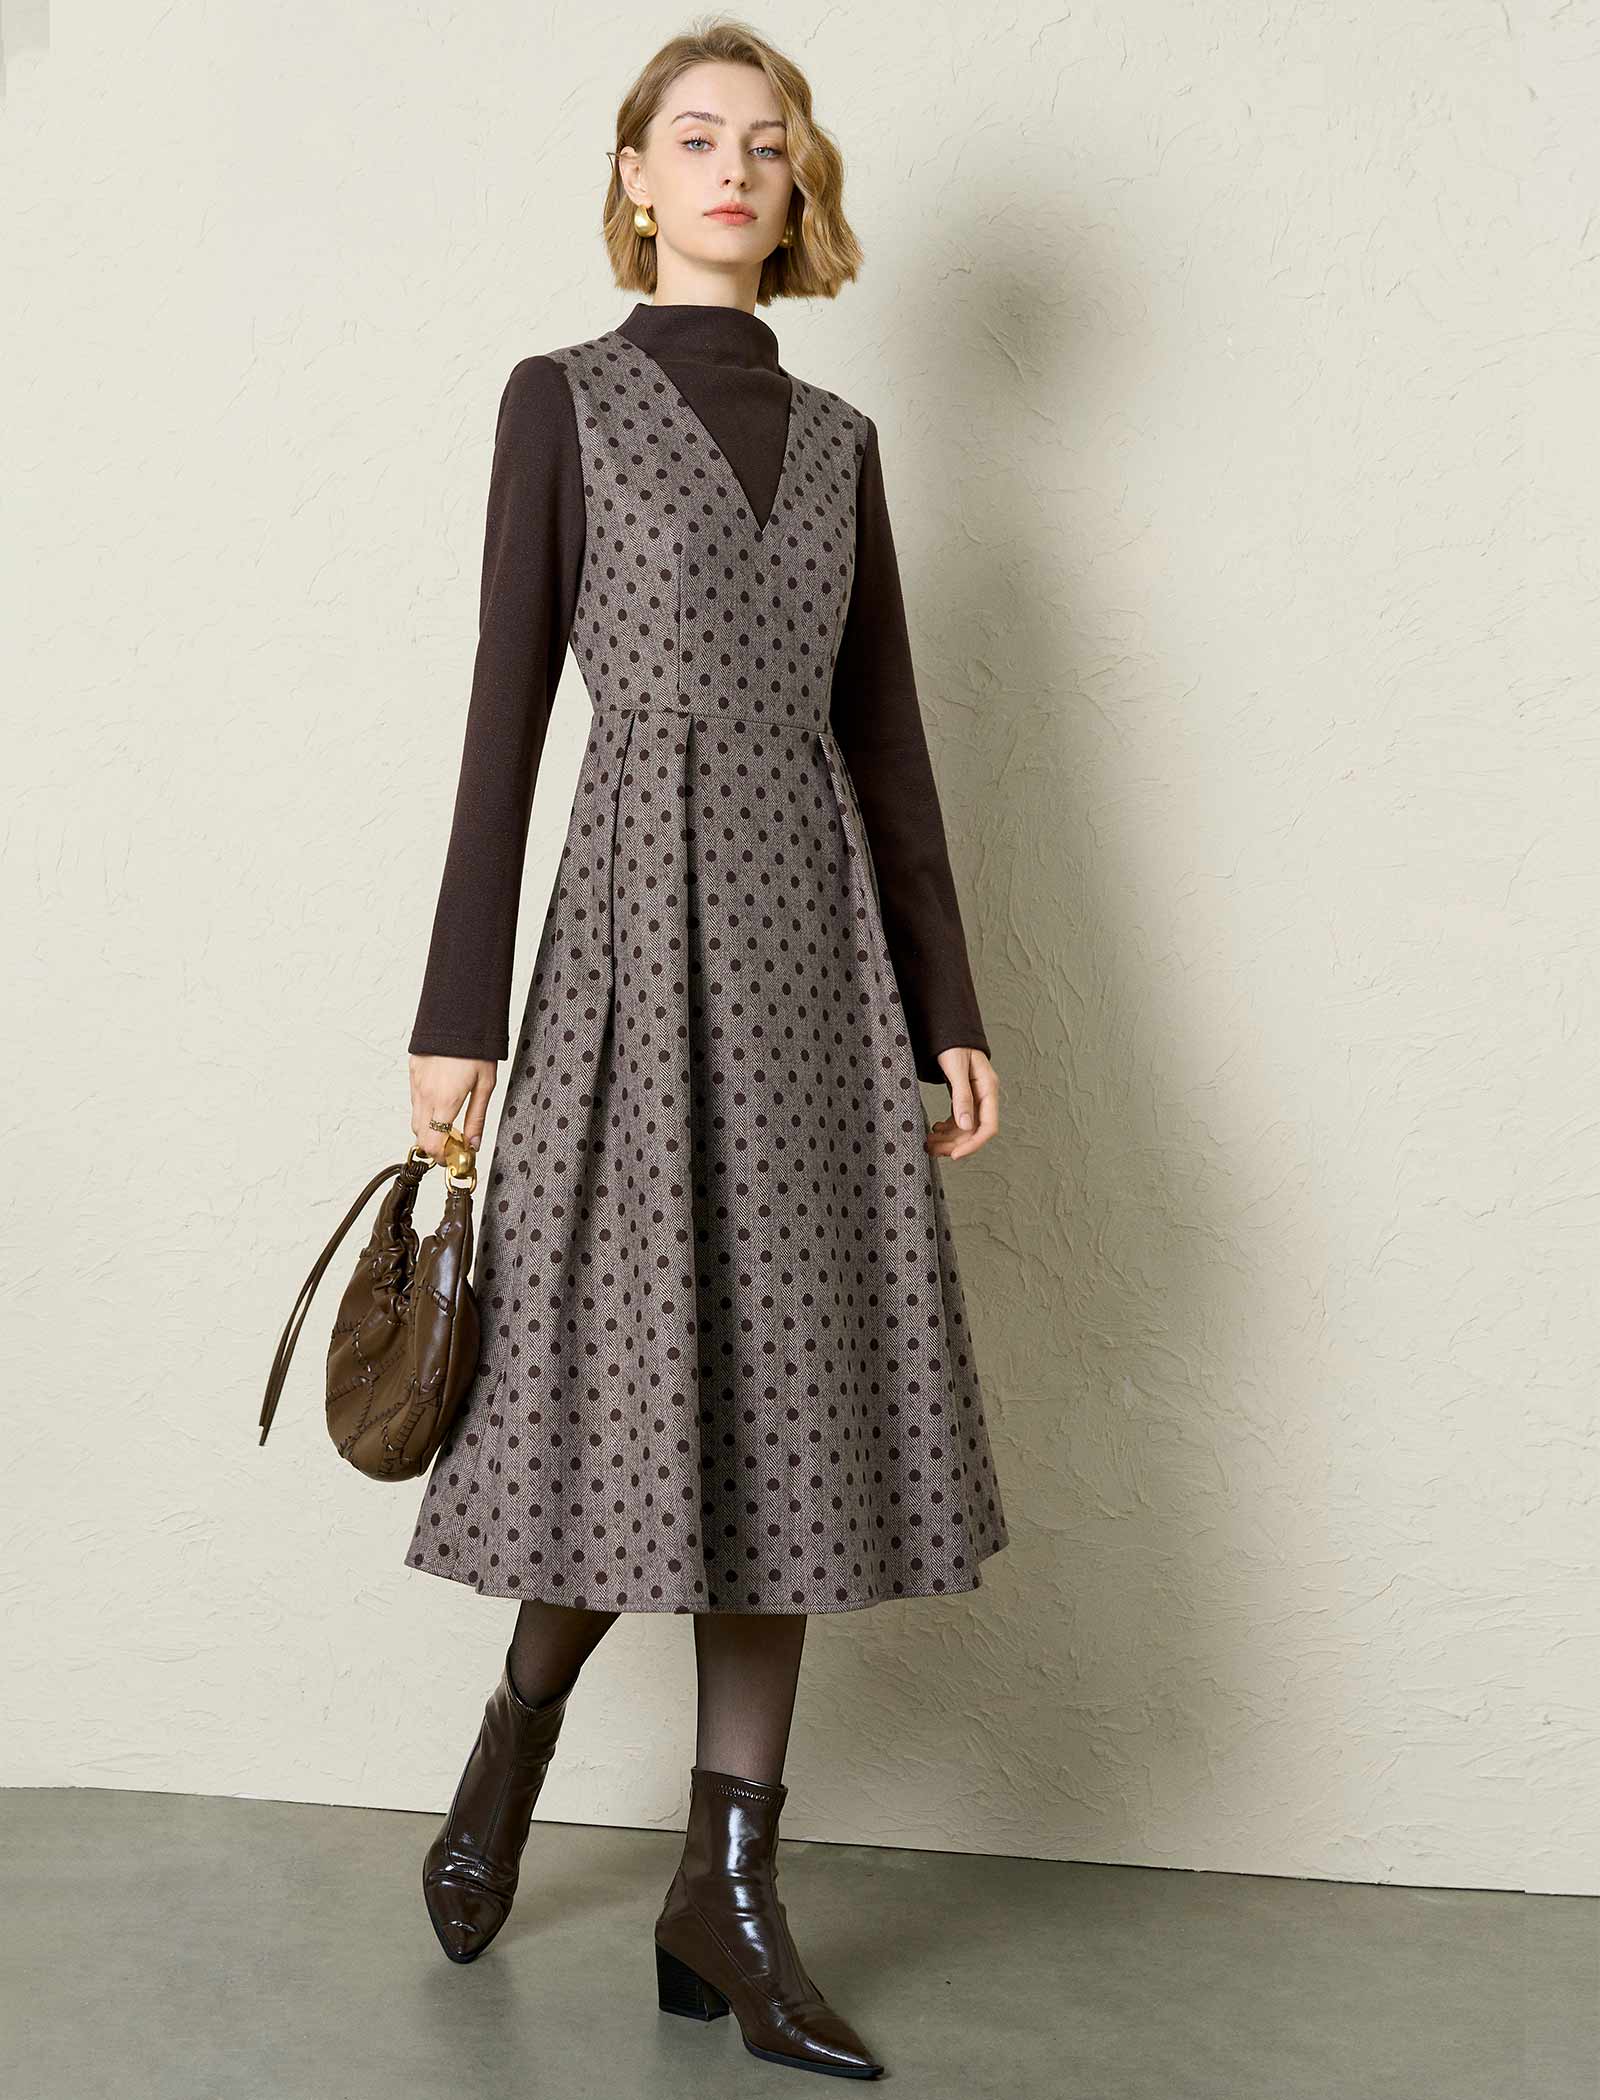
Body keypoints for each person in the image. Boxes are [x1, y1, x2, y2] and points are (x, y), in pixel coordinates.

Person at [401, 20, 1007, 2079]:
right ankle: (519, 1732)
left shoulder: (841, 441)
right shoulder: (558, 402)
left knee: (788, 1411)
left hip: (812, 964)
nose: (736, 165)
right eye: (696, 135)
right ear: (636, 178)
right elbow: (504, 714)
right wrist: (456, 1016)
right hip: (629, 942)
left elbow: (885, 738)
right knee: (619, 1397)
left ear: (795, 185)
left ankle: (726, 1891)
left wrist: (945, 1003)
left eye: (769, 141)